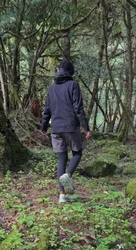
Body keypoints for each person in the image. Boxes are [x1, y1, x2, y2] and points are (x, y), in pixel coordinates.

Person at [41, 59, 91, 203]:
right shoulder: (73, 85)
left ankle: (62, 195)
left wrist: (44, 126)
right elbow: (78, 108)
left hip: (55, 128)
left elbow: (47, 110)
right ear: (70, 71)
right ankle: (68, 175)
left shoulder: (51, 88)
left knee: (61, 159)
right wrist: (85, 127)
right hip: (70, 126)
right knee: (77, 152)